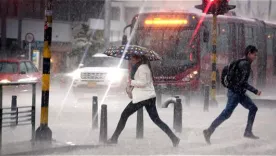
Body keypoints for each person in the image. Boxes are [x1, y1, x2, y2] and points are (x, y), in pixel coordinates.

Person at [107, 54, 180, 147]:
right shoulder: (141, 67)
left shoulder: (142, 68)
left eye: (133, 58)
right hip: (148, 97)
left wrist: (131, 82)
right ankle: (174, 138)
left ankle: (114, 138)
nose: (131, 59)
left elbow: (143, 83)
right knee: (156, 120)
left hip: (143, 98)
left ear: (138, 58)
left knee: (124, 115)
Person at [203, 45, 262, 144]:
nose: (255, 57)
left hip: (237, 92)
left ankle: (248, 131)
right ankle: (209, 131)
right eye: (254, 55)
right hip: (235, 93)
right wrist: (255, 91)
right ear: (249, 53)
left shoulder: (241, 61)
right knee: (226, 113)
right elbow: (242, 82)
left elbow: (238, 81)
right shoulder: (245, 65)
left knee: (253, 108)